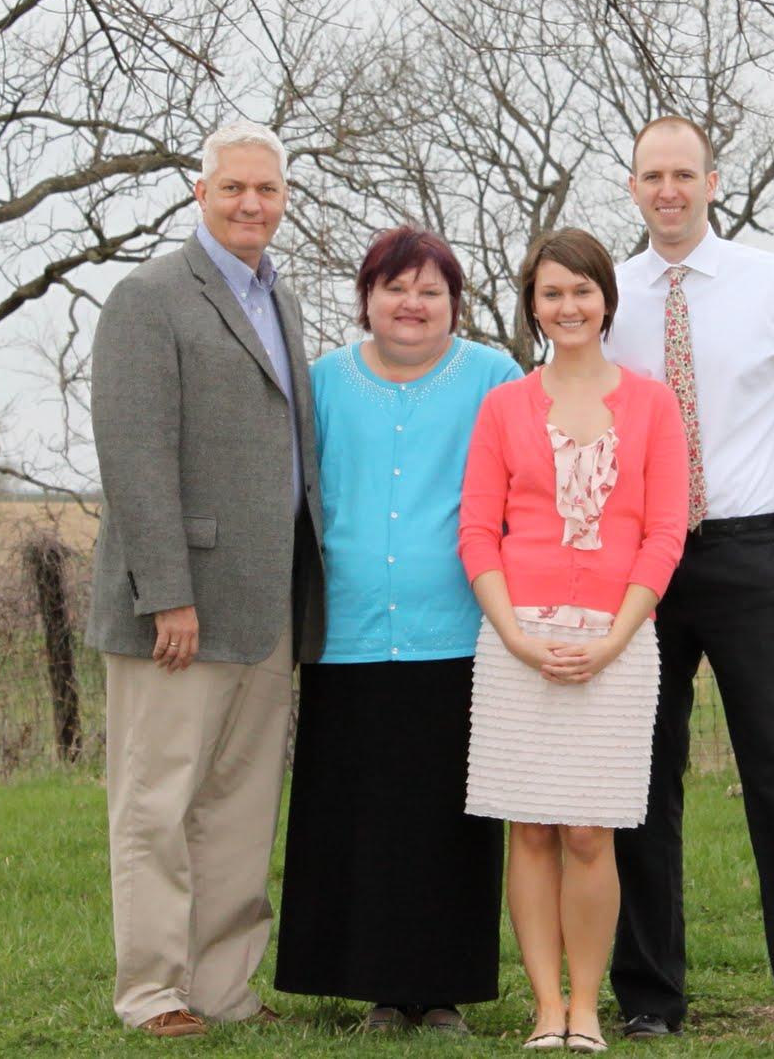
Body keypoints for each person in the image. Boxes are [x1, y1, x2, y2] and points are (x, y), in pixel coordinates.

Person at [604, 116, 774, 1053]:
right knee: (640, 784)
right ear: (631, 186)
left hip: (755, 556)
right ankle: (647, 999)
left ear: (712, 181)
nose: (667, 191)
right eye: (650, 176)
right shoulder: (610, 295)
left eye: (684, 174)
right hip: (642, 562)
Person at [86, 120, 325, 1039]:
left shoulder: (285, 303)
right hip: (177, 608)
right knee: (157, 803)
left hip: (267, 603)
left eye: (266, 191)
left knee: (238, 807)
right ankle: (153, 992)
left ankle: (223, 987)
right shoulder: (149, 299)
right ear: (200, 194)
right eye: (233, 190)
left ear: (283, 199)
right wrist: (166, 594)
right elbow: (135, 458)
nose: (251, 205)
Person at [274, 226, 521, 1034]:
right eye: (394, 288)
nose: (410, 304)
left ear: (454, 302)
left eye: (429, 290)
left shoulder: (496, 377)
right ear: (367, 298)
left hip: (459, 632)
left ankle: (443, 990)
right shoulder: (322, 383)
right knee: (361, 817)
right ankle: (378, 987)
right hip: (346, 634)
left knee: (452, 820)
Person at [459, 228, 689, 1054]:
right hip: (518, 642)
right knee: (529, 828)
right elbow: (478, 533)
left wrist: (616, 639)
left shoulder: (655, 406)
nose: (569, 307)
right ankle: (543, 1008)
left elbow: (664, 535)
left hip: (617, 645)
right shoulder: (504, 406)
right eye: (552, 294)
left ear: (606, 300)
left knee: (590, 829)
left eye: (582, 291)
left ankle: (587, 1008)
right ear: (533, 306)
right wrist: (516, 636)